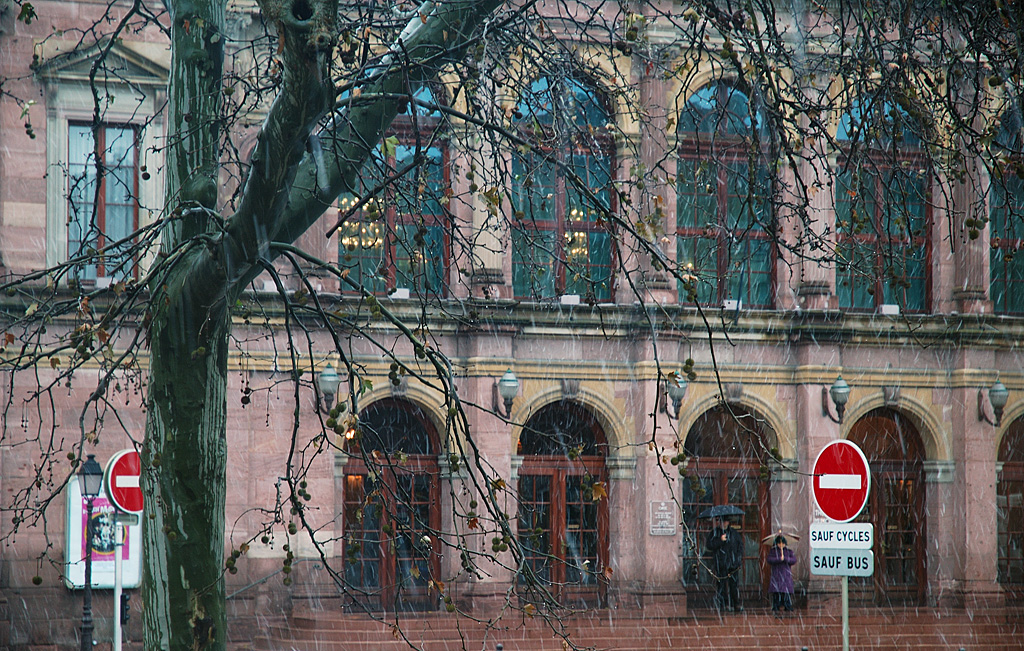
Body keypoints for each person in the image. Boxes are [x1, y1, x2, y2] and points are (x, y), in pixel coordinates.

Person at [706, 516, 744, 612]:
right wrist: (720, 540)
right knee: (721, 585)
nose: (724, 524)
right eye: (722, 521)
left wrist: (738, 559)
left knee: (734, 585)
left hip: (733, 563)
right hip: (721, 563)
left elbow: (740, 547)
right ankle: (724, 604)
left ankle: (735, 604)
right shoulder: (714, 533)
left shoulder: (734, 534)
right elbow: (709, 545)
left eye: (726, 521)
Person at [767, 535, 796, 613]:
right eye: (779, 543)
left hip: (786, 574)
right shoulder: (773, 552)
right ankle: (776, 605)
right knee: (777, 592)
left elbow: (793, 560)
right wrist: (779, 559)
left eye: (782, 543)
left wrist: (785, 559)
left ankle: (787, 605)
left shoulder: (789, 551)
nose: (781, 545)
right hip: (777, 574)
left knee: (786, 592)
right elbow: (769, 560)